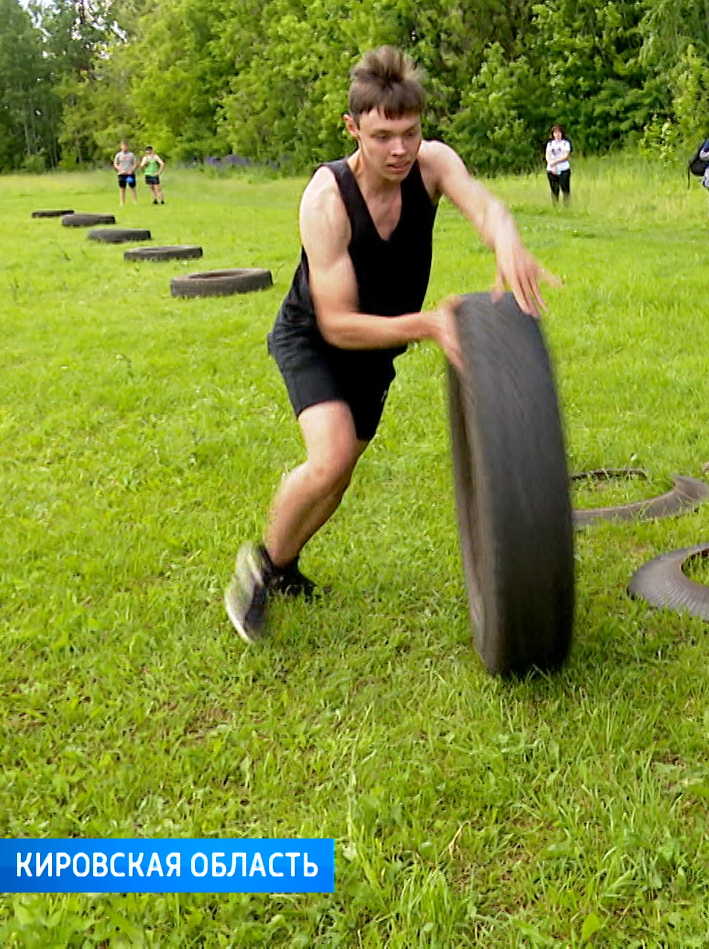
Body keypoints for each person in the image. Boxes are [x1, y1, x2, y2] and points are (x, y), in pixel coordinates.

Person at [224, 46, 555, 643]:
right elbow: (338, 324)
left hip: (378, 348)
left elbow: (482, 203)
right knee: (329, 457)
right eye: (382, 136)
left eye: (409, 132)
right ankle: (259, 569)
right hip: (316, 338)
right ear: (353, 128)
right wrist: (427, 325)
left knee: (343, 470)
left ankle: (285, 566)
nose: (399, 150)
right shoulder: (325, 200)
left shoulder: (431, 165)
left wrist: (507, 242)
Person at [544, 125, 571, 205]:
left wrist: (555, 162)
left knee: (565, 189)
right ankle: (555, 206)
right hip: (551, 170)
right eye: (555, 133)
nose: (557, 134)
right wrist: (552, 165)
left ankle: (567, 206)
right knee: (554, 189)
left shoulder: (565, 143)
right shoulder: (550, 144)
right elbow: (547, 155)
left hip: (563, 168)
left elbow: (566, 156)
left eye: (559, 132)